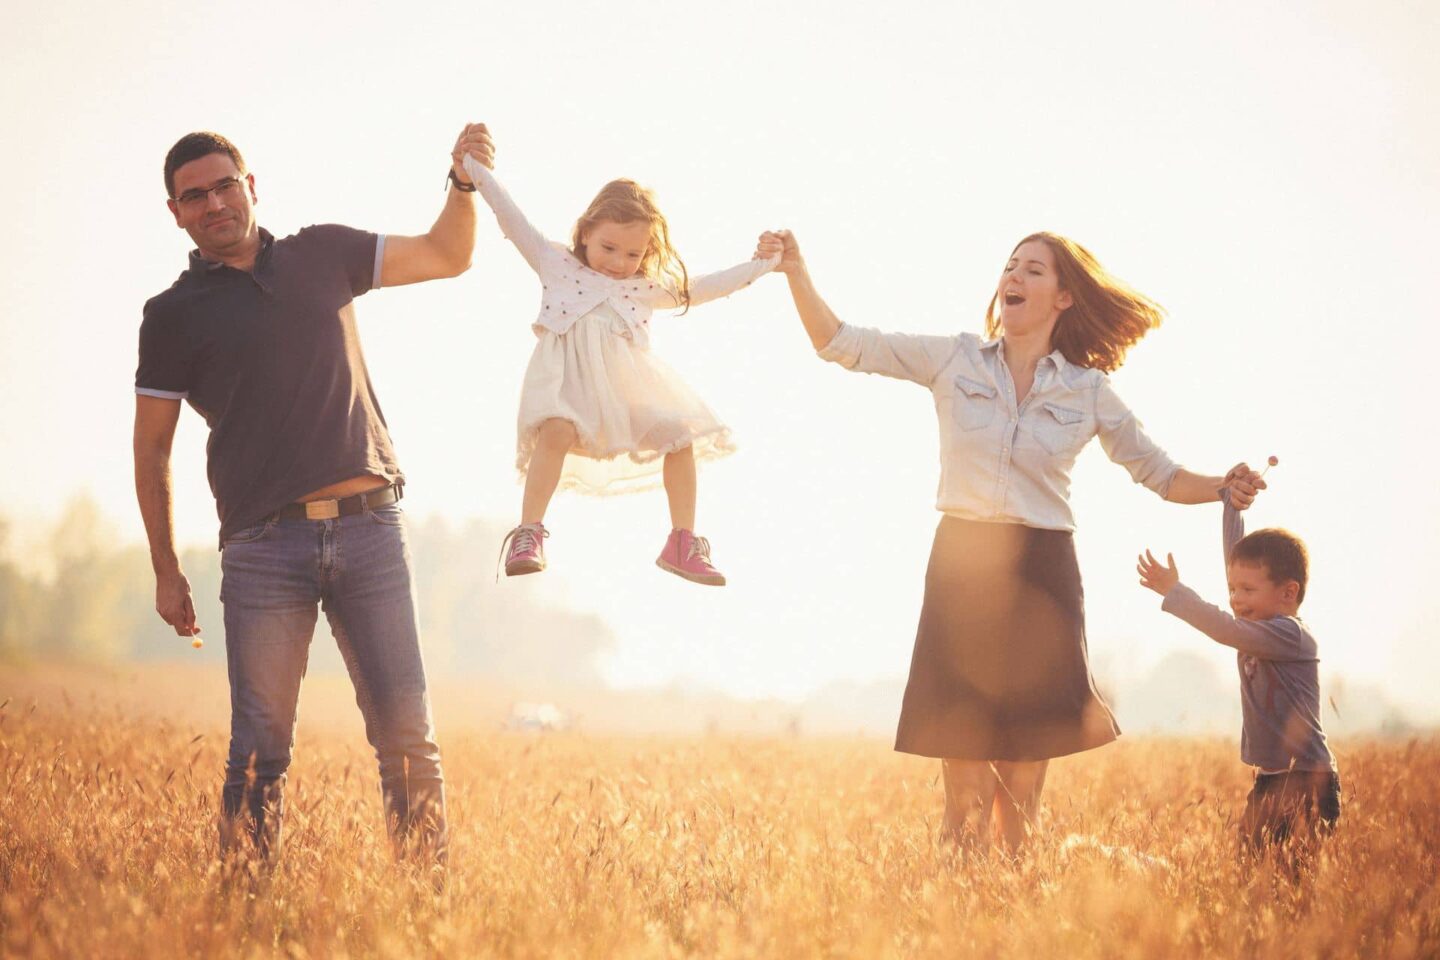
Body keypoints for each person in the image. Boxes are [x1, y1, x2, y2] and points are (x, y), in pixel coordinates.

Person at [766, 227, 1265, 853]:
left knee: (1021, 787)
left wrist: (1223, 485)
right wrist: (796, 271)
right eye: (1010, 266)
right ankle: (959, 900)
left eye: (1033, 270)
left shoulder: (1088, 390)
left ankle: (1015, 899)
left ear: (1063, 296)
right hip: (964, 569)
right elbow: (840, 342)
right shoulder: (953, 359)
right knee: (966, 782)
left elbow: (1160, 475)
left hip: (1043, 576)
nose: (1014, 277)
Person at [133, 124, 496, 865]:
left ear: (251, 186)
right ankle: (242, 907)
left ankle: (428, 909)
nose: (214, 204)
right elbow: (152, 449)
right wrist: (165, 569)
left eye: (225, 185)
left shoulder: (323, 253)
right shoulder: (170, 315)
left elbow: (448, 255)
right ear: (174, 213)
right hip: (265, 548)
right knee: (258, 749)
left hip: (372, 532)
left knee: (408, 739)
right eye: (194, 196)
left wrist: (463, 186)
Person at [459, 153, 779, 586]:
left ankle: (682, 542)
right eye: (608, 247)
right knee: (555, 431)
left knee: (679, 435)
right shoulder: (556, 263)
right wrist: (473, 166)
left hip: (625, 396)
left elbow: (703, 288)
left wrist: (762, 265)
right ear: (585, 232)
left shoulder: (643, 288)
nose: (617, 262)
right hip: (567, 391)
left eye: (632, 253)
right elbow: (510, 216)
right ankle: (528, 533)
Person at [1137, 488, 1340, 860]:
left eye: (1247, 590)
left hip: (1306, 780)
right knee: (1250, 870)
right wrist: (1230, 505)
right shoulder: (1256, 623)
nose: (1235, 598)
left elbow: (1224, 628)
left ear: (1288, 593)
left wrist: (1175, 592)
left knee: (1295, 876)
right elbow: (1235, 557)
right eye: (1232, 588)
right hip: (1270, 780)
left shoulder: (1290, 636)